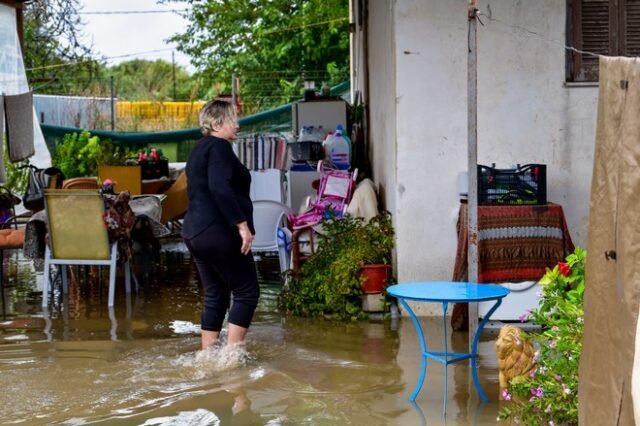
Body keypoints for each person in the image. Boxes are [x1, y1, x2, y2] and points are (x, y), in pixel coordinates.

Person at [182, 100, 258, 350]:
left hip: (195, 233)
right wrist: (242, 226)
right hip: (218, 232)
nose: (237, 125)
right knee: (247, 291)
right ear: (216, 124)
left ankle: (207, 357)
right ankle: (231, 357)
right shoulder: (220, 147)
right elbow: (219, 187)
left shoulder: (198, 149)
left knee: (216, 293)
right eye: (231, 120)